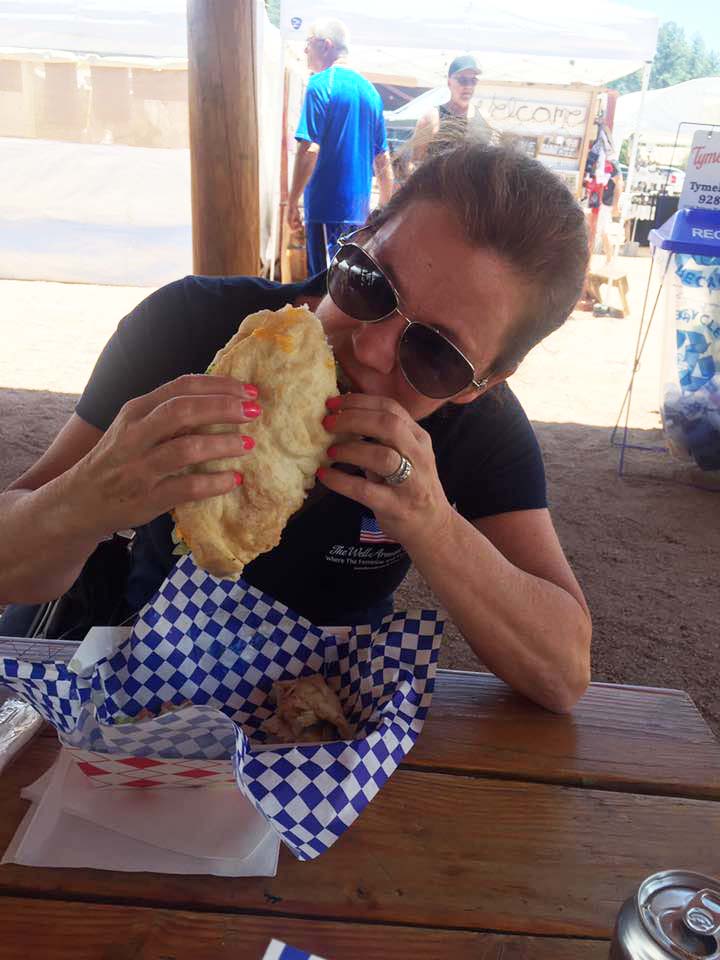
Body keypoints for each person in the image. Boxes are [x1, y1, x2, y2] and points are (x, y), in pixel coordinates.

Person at [0, 144, 591, 714]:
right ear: (356, 238)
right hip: (141, 688)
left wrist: (433, 524)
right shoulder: (186, 325)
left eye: (435, 353)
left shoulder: (476, 426)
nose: (371, 347)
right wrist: (88, 497)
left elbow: (563, 673)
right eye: (370, 282)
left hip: (322, 728)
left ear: (482, 382)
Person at [287, 18, 394, 275]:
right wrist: (383, 210)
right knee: (348, 286)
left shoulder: (321, 84)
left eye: (308, 43)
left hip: (326, 209)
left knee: (322, 286)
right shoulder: (371, 93)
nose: (304, 51)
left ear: (326, 45)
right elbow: (383, 161)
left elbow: (309, 149)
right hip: (359, 214)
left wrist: (292, 201)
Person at [411, 54, 496, 166]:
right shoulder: (432, 118)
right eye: (462, 80)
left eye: (473, 81)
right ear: (449, 82)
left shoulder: (485, 118)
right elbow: (415, 162)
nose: (468, 86)